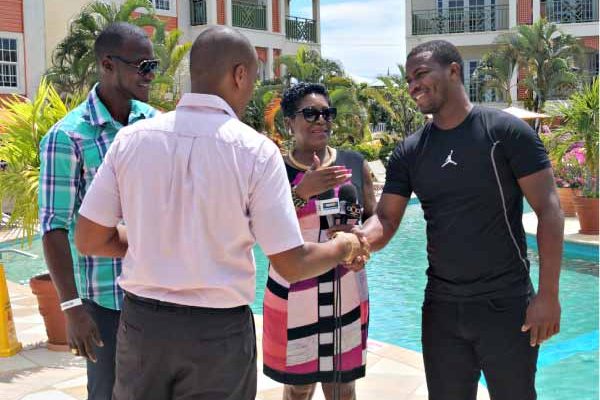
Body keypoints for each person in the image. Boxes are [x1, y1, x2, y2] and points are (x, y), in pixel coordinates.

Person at [73, 26, 369, 400]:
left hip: (143, 329)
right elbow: (292, 263)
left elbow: (89, 239)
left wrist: (153, 238)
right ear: (239, 75)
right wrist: (343, 246)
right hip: (217, 335)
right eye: (252, 80)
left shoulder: (131, 140)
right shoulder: (255, 151)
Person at [358, 40, 564, 400]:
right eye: (409, 80)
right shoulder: (410, 151)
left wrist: (548, 295)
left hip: (505, 303)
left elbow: (549, 210)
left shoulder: (505, 133)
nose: (413, 86)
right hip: (441, 308)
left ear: (454, 71)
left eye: (421, 74)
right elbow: (386, 219)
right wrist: (356, 241)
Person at [38, 22, 158, 400]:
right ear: (107, 65)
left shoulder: (156, 125)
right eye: (142, 66)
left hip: (160, 296)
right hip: (107, 303)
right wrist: (72, 308)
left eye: (153, 66)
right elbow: (54, 227)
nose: (150, 75)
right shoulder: (68, 136)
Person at [262, 82, 376, 400]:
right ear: (289, 122)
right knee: (298, 388)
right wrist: (301, 193)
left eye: (327, 113)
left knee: (342, 388)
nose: (321, 120)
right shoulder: (272, 169)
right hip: (293, 292)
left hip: (347, 291)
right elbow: (261, 227)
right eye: (311, 114)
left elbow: (372, 219)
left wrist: (362, 245)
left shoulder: (354, 164)